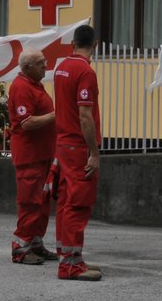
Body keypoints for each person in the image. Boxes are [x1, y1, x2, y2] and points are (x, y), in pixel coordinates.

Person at [51, 24, 103, 281]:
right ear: (95, 44)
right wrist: (93, 152)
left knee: (65, 201)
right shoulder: (85, 72)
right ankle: (71, 264)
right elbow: (85, 115)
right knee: (78, 202)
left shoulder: (61, 67)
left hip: (63, 142)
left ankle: (66, 253)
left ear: (73, 43)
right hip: (78, 145)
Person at [8, 49, 60, 265]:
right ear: (27, 67)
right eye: (40, 63)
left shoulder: (35, 85)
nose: (46, 65)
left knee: (42, 202)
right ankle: (20, 248)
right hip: (30, 156)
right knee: (30, 202)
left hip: (42, 154)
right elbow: (26, 123)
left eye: (45, 61)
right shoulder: (21, 87)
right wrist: (56, 115)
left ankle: (35, 243)